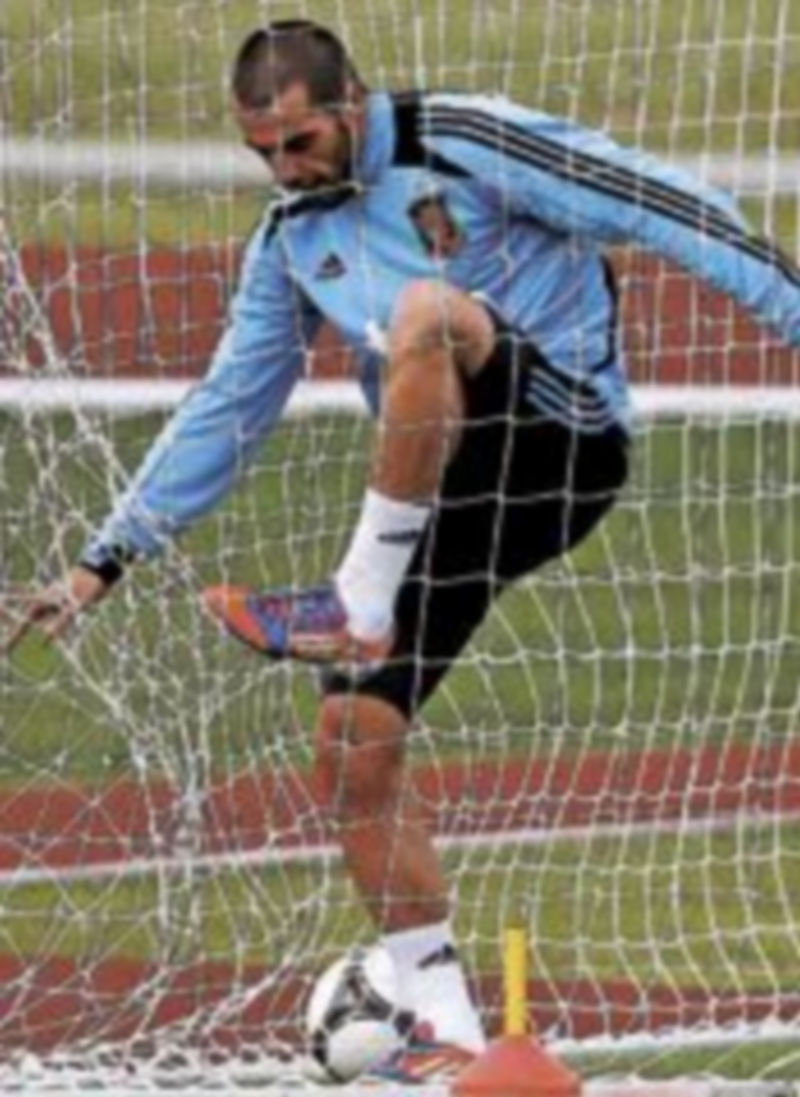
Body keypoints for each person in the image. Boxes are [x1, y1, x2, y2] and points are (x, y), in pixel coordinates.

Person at [6, 17, 800, 1079]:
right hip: (451, 501)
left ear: (348, 104)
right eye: (259, 151)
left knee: (425, 312)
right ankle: (450, 1032)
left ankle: (353, 596)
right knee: (349, 740)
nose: (280, 168)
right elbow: (229, 405)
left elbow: (659, 203)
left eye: (296, 143)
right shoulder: (288, 239)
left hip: (558, 440)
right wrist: (101, 559)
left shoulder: (467, 138)